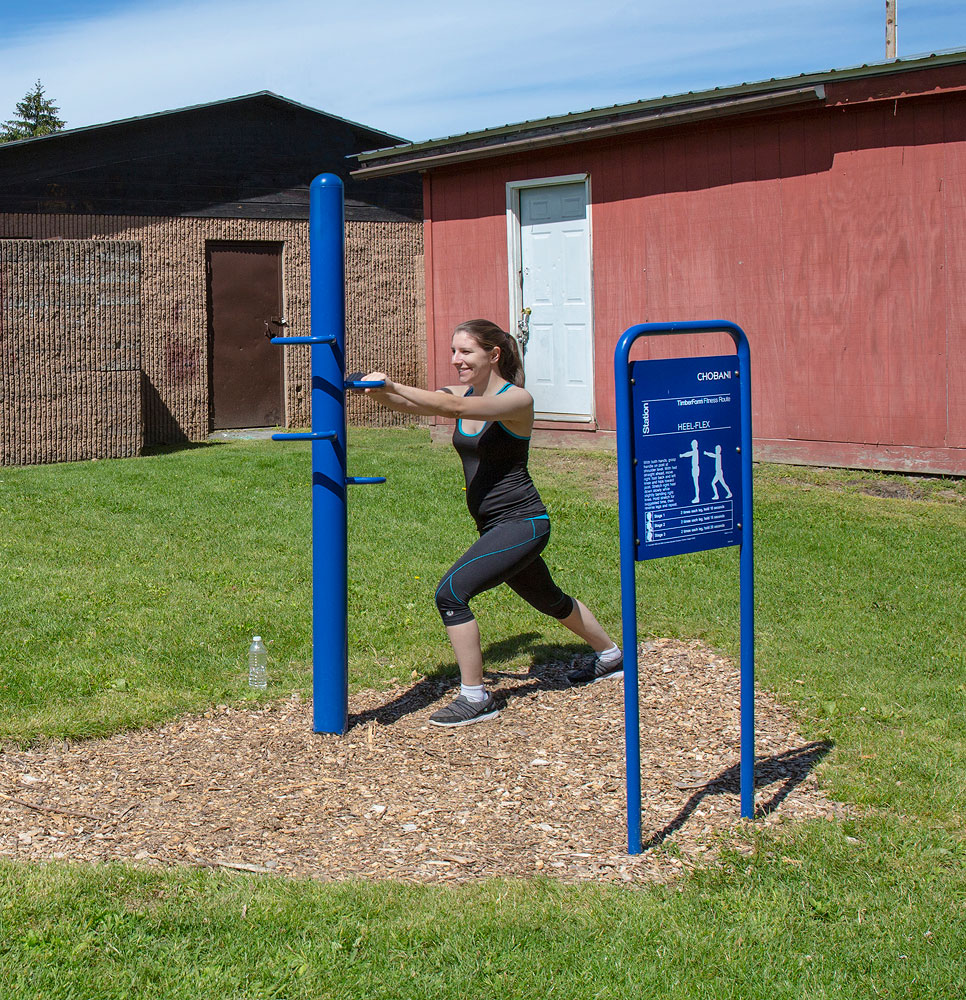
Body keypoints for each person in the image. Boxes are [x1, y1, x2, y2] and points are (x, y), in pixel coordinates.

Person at [359, 319, 623, 727]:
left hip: (523, 522)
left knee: (451, 594)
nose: (456, 359)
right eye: (453, 351)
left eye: (465, 351)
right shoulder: (459, 393)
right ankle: (611, 656)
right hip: (495, 526)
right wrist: (375, 391)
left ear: (493, 354)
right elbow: (417, 405)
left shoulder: (516, 399)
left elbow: (453, 409)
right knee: (549, 598)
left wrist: (392, 384)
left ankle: (476, 696)